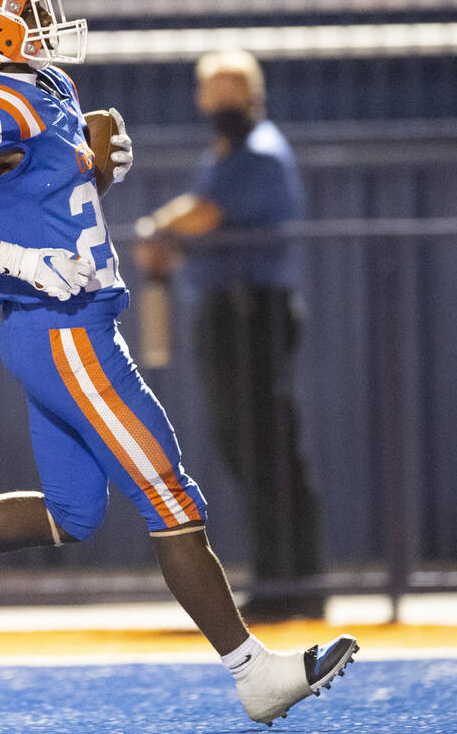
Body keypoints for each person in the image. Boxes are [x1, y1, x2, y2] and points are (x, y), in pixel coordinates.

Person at [0, 0, 357, 725]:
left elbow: (51, 205)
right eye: (32, 9)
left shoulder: (44, 87)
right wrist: (11, 256)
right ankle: (255, 673)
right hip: (64, 332)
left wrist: (98, 167)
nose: (50, 21)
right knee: (170, 493)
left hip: (64, 324)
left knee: (70, 513)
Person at [134, 49, 322, 622]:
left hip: (251, 314)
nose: (221, 107)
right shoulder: (224, 153)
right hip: (228, 312)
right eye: (212, 95)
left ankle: (294, 583)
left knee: (266, 447)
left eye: (231, 95)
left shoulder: (258, 154)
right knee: (248, 447)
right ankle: (281, 579)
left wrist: (158, 228)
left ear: (254, 96)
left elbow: (203, 214)